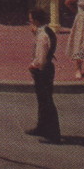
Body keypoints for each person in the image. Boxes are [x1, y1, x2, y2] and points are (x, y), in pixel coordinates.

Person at [25, 8, 61, 144]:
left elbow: (40, 59)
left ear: (35, 20)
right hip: (48, 68)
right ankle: (41, 127)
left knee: (46, 102)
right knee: (43, 101)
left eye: (31, 19)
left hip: (42, 71)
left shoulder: (42, 36)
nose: (30, 22)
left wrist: (32, 65)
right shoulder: (47, 31)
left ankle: (53, 134)